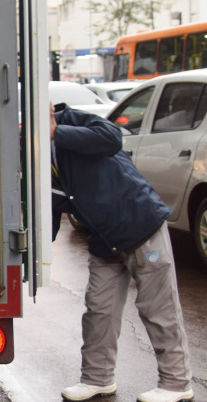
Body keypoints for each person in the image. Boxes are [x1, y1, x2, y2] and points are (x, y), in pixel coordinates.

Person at [51, 103, 193, 402]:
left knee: (158, 308)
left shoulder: (70, 119)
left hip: (140, 226)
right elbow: (51, 203)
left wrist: (58, 131)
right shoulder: (32, 151)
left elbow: (112, 137)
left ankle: (176, 384)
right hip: (104, 239)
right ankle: (96, 379)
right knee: (99, 311)